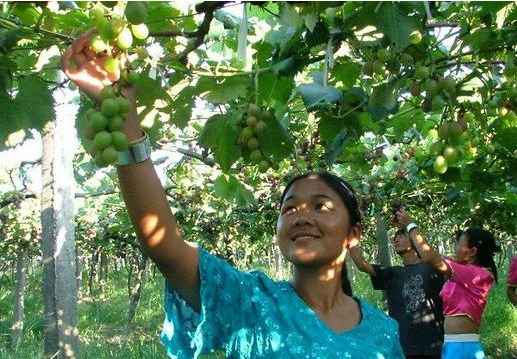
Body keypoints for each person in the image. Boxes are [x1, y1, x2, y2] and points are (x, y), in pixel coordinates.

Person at [61, 32, 405, 358]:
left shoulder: (384, 332)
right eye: (290, 209)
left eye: (321, 206)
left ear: (353, 234)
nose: (302, 215)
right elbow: (163, 245)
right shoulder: (250, 302)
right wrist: (126, 124)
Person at [395, 208, 500, 359]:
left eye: (458, 244)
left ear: (472, 252)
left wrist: (411, 225)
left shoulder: (476, 274)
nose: (455, 248)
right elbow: (428, 254)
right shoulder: (461, 273)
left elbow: (430, 256)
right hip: (451, 345)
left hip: (462, 347)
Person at [348, 228, 445, 359]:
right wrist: (350, 238)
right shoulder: (393, 273)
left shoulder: (433, 268)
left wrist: (410, 225)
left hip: (433, 346)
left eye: (401, 236)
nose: (396, 240)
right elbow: (362, 264)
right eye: (395, 238)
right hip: (403, 347)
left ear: (414, 241)